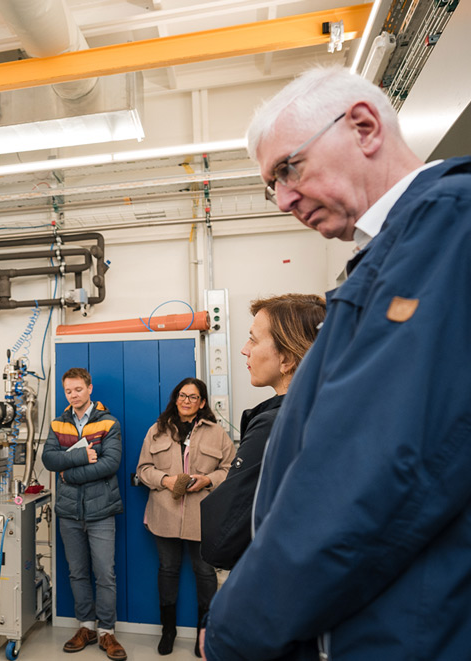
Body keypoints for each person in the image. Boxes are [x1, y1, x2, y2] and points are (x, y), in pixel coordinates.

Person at [201, 66, 471, 660]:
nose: (282, 200)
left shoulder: (445, 226)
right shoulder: (386, 257)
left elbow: (375, 475)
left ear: (364, 127)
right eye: (271, 184)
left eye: (288, 169)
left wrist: (234, 629)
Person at [200, 293, 325, 570]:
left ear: (287, 359)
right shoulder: (326, 413)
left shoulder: (275, 426)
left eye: (253, 339)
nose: (245, 349)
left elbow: (221, 539)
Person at [136, 378, 234, 657]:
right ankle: (168, 632)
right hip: (164, 514)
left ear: (202, 403)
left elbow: (230, 470)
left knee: (205, 574)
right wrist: (165, 480)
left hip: (202, 517)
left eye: (193, 397)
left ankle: (204, 635)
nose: (186, 401)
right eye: (182, 395)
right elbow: (143, 469)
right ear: (175, 399)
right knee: (167, 572)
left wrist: (208, 480)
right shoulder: (157, 430)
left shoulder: (217, 433)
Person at [41, 368, 127, 661]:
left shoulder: (109, 422)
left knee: (105, 574)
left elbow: (110, 464)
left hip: (101, 510)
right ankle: (85, 627)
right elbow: (49, 459)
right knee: (77, 573)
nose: (73, 395)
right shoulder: (58, 424)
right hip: (68, 512)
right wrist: (79, 456)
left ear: (89, 389)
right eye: (68, 391)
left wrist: (69, 475)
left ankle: (107, 632)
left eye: (78, 389)